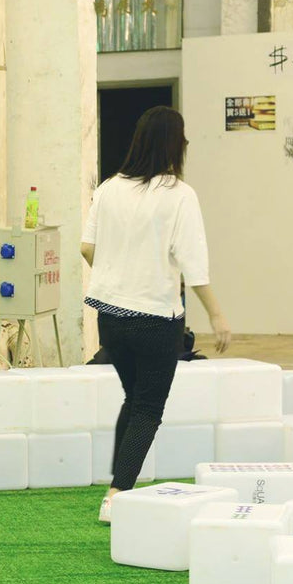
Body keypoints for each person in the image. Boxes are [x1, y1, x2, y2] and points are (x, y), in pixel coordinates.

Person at [81, 106, 231, 522]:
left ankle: (117, 481)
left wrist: (121, 272)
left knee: (135, 398)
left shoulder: (109, 188)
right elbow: (194, 264)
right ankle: (116, 494)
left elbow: (87, 247)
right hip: (155, 320)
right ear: (175, 145)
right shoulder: (180, 195)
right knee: (149, 407)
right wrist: (217, 316)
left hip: (109, 318)